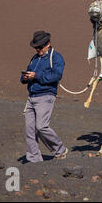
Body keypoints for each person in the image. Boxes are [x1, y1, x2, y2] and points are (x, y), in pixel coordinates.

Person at [21, 31, 67, 163]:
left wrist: (36, 76)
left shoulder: (56, 58)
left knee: (41, 127)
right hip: (31, 97)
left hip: (46, 96)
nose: (37, 50)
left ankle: (60, 150)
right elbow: (26, 74)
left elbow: (56, 76)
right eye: (36, 47)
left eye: (40, 47)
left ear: (48, 44)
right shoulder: (34, 58)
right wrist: (25, 77)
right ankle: (34, 159)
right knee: (29, 130)